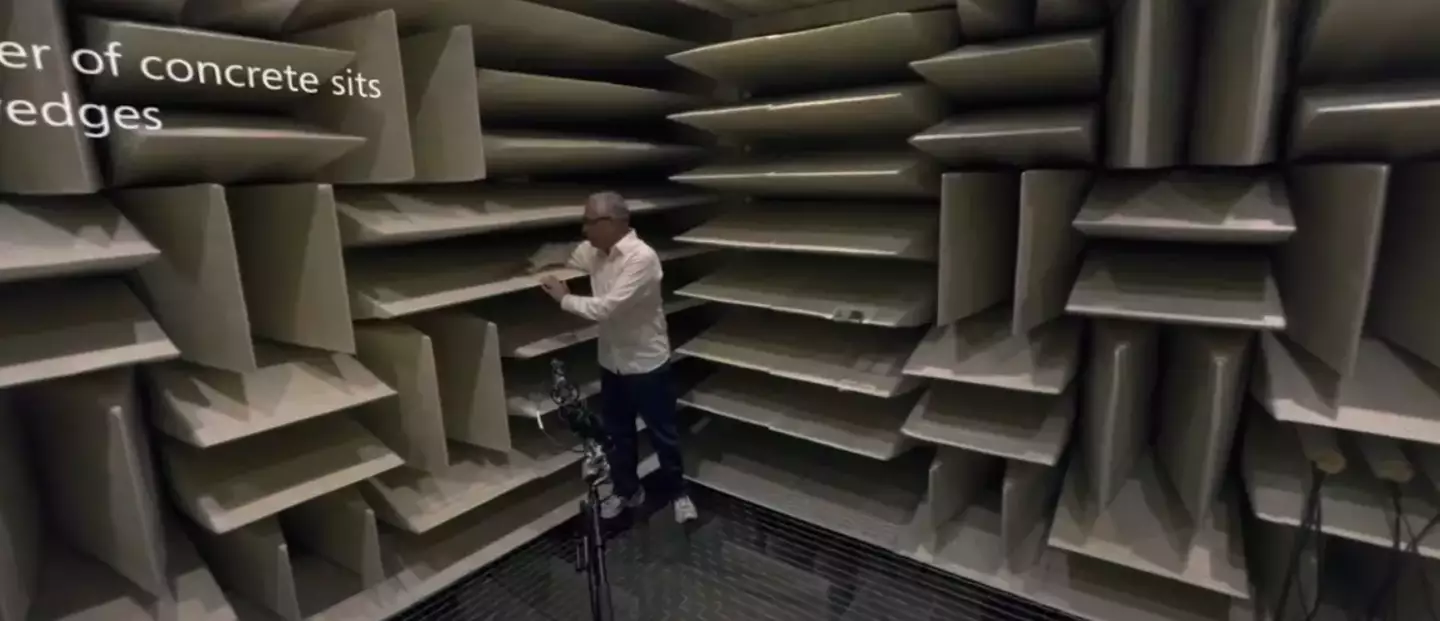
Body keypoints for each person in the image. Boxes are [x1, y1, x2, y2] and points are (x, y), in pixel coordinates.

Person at [537, 191, 697, 524]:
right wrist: (535, 259)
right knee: (617, 434)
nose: (584, 230)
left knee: (662, 434)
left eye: (590, 222)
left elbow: (607, 308)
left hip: (645, 363)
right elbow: (568, 255)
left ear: (611, 223)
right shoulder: (595, 252)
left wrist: (565, 299)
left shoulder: (642, 259)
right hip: (612, 362)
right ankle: (628, 491)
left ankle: (678, 493)